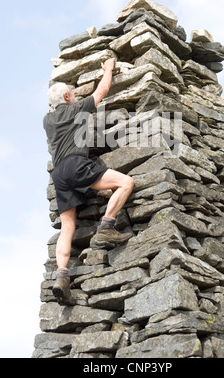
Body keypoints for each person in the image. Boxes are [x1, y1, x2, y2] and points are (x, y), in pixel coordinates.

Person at [43, 57, 135, 305]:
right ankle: (107, 227)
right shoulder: (75, 109)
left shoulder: (47, 121)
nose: (73, 96)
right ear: (66, 98)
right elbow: (102, 91)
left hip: (59, 174)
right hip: (76, 164)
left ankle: (62, 276)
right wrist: (108, 69)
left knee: (68, 226)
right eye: (71, 94)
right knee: (126, 183)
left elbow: (56, 108)